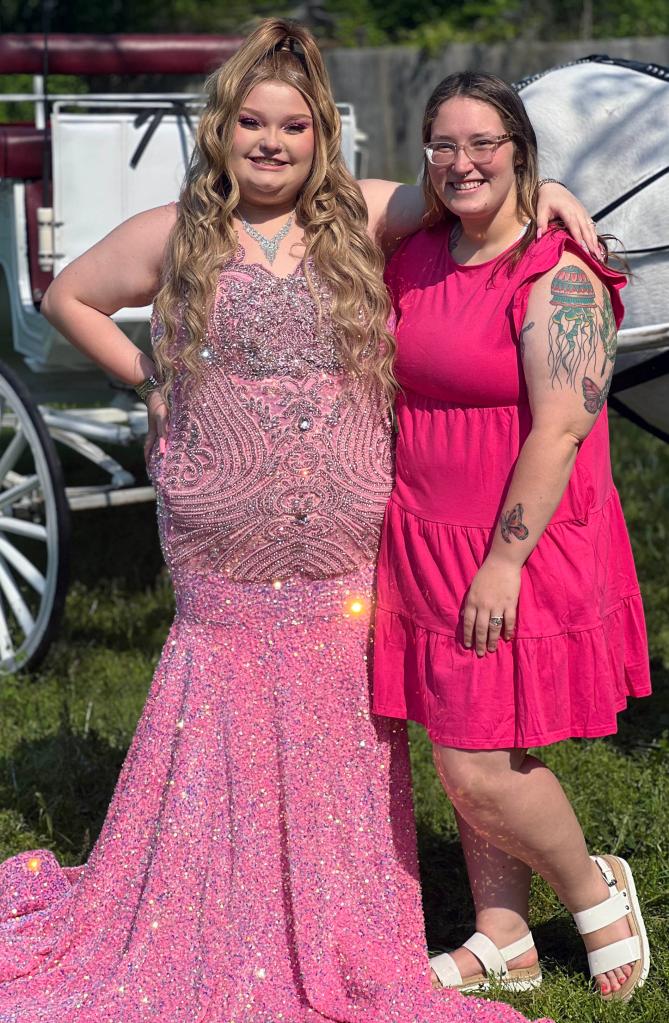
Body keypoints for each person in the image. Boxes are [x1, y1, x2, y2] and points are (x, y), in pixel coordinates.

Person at [0, 22, 592, 1023]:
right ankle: (210, 892)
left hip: (341, 538)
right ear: (222, 130)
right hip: (222, 530)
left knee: (341, 707)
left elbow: (479, 195)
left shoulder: (360, 219)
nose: (271, 142)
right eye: (251, 124)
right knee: (224, 688)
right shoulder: (175, 232)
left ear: (322, 139)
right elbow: (69, 295)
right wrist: (149, 377)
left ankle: (337, 907)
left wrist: (557, 202)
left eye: (294, 126)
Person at [372, 70, 652, 1004]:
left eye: (484, 143)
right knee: (468, 732)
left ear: (521, 152)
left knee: (475, 760)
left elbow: (562, 426)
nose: (462, 163)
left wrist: (502, 561)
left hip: (511, 540)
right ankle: (503, 933)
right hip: (424, 530)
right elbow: (334, 200)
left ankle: (593, 888)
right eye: (443, 145)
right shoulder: (415, 253)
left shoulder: (557, 270)